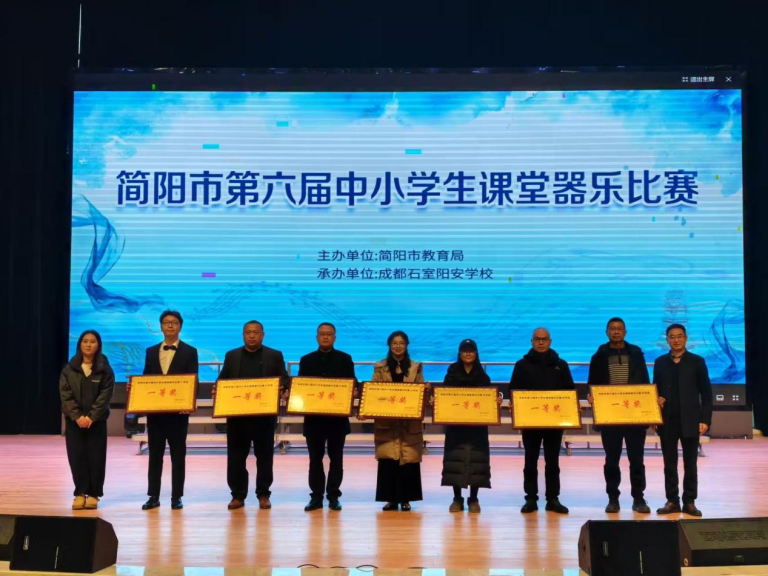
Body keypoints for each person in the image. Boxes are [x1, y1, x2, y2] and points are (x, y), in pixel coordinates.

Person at [216, 320, 288, 511]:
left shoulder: (274, 355)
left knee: (264, 458)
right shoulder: (231, 356)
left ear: (262, 335)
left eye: (256, 332)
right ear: (243, 335)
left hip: (264, 418)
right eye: (248, 332)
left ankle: (263, 494)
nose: (252, 335)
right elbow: (222, 380)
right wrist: (218, 389)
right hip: (237, 418)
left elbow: (284, 379)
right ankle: (237, 495)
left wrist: (282, 388)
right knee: (236, 458)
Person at [587, 317, 651, 514]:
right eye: (612, 329)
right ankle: (613, 498)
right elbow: (592, 385)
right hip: (610, 418)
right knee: (611, 461)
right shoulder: (599, 356)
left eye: (619, 329)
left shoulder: (636, 353)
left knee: (637, 460)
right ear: (606, 332)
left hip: (634, 417)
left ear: (625, 332)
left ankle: (638, 498)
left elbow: (645, 383)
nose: (616, 332)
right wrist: (591, 396)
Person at [139, 310, 199, 510]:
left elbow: (193, 380)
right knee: (155, 455)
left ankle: (176, 497)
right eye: (166, 322)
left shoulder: (190, 351)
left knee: (178, 456)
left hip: (178, 414)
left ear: (180, 326)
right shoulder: (150, 351)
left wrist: (189, 403)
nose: (170, 325)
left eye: (174, 322)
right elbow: (146, 379)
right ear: (161, 326)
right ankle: (153, 496)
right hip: (156, 414)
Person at [510, 327, 574, 514]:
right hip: (530, 423)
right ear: (531, 341)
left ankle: (553, 499)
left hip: (554, 423)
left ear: (550, 341)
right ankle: (531, 499)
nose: (540, 342)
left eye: (544, 339)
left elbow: (570, 392)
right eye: (537, 339)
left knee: (552, 462)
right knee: (530, 461)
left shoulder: (561, 365)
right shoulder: (521, 365)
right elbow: (513, 391)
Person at [653, 324, 713, 517]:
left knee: (690, 464)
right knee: (669, 464)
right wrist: (655, 413)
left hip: (691, 420)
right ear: (667, 340)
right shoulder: (660, 362)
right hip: (667, 421)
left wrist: (705, 419)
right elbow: (654, 392)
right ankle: (672, 501)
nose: (676, 340)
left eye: (680, 336)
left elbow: (706, 393)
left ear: (686, 338)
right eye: (672, 337)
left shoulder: (697, 362)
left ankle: (689, 502)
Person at [298, 322, 357, 511]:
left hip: (337, 421)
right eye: (322, 334)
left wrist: (353, 391)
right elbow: (301, 387)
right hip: (314, 420)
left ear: (335, 337)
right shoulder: (306, 360)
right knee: (315, 460)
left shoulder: (345, 359)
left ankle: (333, 496)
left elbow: (353, 384)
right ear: (317, 337)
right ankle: (316, 497)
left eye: (329, 334)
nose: (325, 337)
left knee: (336, 459)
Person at [441, 339, 500, 514]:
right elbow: (444, 397)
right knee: (455, 461)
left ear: (476, 354)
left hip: (477, 428)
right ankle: (457, 498)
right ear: (459, 353)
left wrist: (495, 400)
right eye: (464, 350)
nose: (468, 353)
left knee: (477, 462)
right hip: (455, 427)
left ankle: (473, 498)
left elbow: (489, 399)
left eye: (471, 350)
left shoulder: (483, 376)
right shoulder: (451, 373)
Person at [369, 330, 425, 512]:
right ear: (389, 345)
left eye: (401, 343)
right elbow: (373, 392)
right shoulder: (380, 367)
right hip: (387, 421)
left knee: (408, 459)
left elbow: (421, 390)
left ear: (407, 345)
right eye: (395, 343)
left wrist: (425, 390)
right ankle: (390, 499)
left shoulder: (416, 367)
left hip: (409, 421)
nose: (398, 346)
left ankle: (406, 499)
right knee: (388, 459)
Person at [59, 330, 115, 510]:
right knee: (76, 457)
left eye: (92, 341)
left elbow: (105, 396)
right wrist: (77, 416)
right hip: (74, 422)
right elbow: (65, 395)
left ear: (98, 345)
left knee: (96, 458)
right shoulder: (69, 369)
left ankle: (94, 494)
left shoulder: (105, 369)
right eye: (85, 341)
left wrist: (91, 416)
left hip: (96, 422)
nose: (88, 345)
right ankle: (79, 492)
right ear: (80, 344)